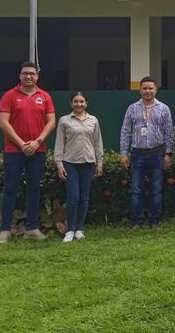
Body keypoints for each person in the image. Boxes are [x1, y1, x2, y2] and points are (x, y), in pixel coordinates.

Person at [0, 61, 56, 244]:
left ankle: (31, 228)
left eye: (32, 73)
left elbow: (51, 122)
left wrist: (37, 142)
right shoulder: (9, 96)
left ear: (37, 76)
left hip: (38, 150)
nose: (28, 76)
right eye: (25, 73)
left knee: (34, 188)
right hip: (13, 150)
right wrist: (22, 144)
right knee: (10, 188)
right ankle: (5, 229)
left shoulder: (44, 96)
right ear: (20, 76)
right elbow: (2, 122)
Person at [120, 77, 175, 231]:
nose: (148, 91)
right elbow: (125, 132)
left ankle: (154, 221)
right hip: (137, 154)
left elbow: (169, 132)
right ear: (140, 90)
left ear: (156, 90)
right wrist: (124, 153)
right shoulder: (132, 109)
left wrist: (168, 153)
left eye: (151, 88)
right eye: (145, 88)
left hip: (157, 153)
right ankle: (136, 222)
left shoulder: (163, 108)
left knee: (156, 190)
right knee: (136, 190)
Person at [54, 92, 104, 242]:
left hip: (88, 163)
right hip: (70, 163)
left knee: (84, 198)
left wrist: (99, 162)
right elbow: (59, 143)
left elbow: (98, 142)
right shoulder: (64, 120)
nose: (79, 104)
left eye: (82, 101)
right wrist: (59, 164)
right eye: (76, 101)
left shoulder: (93, 120)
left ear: (86, 103)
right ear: (71, 104)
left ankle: (79, 229)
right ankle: (70, 230)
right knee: (73, 197)